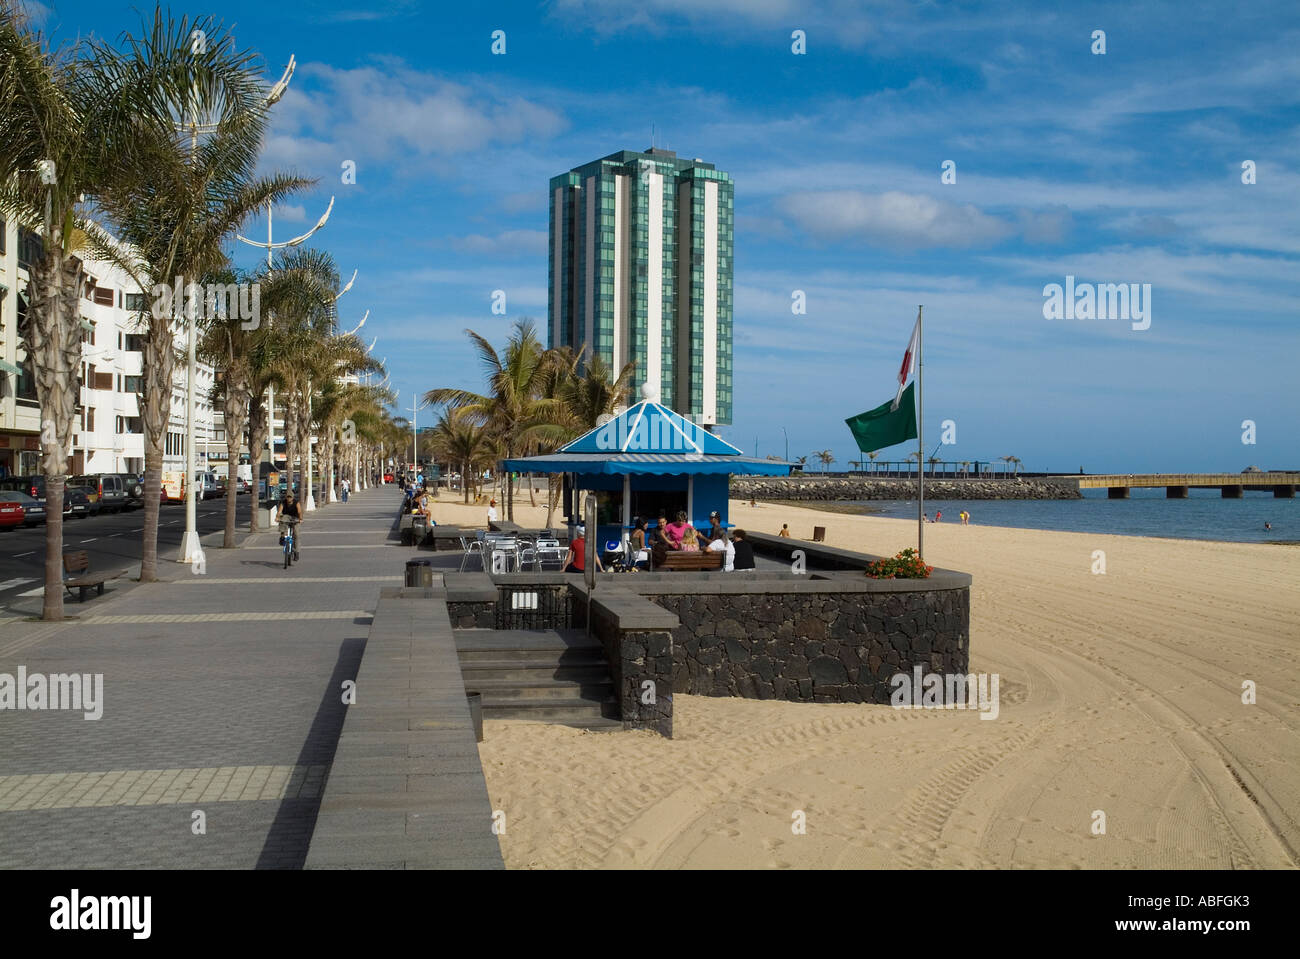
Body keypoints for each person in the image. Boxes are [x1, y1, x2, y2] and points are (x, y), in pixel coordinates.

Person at [277, 490, 303, 561]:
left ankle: (297, 552)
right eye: (288, 497)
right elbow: (279, 511)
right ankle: (282, 536)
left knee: (296, 535)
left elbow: (300, 511)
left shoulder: (296, 502)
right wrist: (277, 517)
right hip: (287, 516)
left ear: (292, 497)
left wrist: (300, 519)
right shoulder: (283, 502)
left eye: (290, 497)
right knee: (282, 520)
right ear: (286, 497)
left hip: (295, 517)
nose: (289, 498)